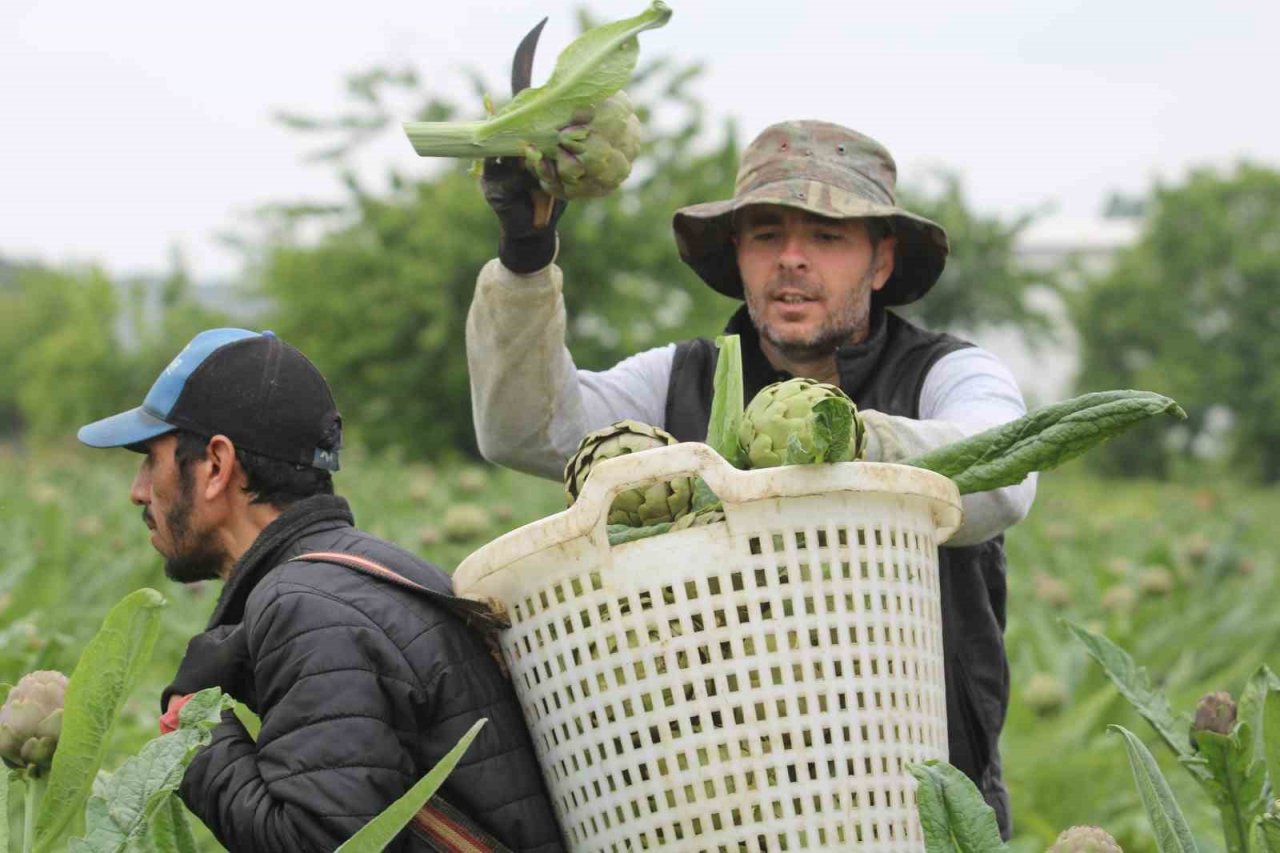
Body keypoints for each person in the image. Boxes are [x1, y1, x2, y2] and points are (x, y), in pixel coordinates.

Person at [467, 120, 1037, 838]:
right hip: (725, 805)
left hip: (919, 805)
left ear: (882, 261)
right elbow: (528, 427)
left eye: (826, 236)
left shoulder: (946, 375)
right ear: (737, 253)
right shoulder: (682, 380)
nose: (791, 259)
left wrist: (849, 439)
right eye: (767, 235)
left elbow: (1004, 473)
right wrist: (525, 263)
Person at [78, 328, 565, 852]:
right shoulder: (367, 570)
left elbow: (321, 843)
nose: (138, 491)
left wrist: (192, 727)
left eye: (151, 458)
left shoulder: (307, 609)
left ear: (216, 466)